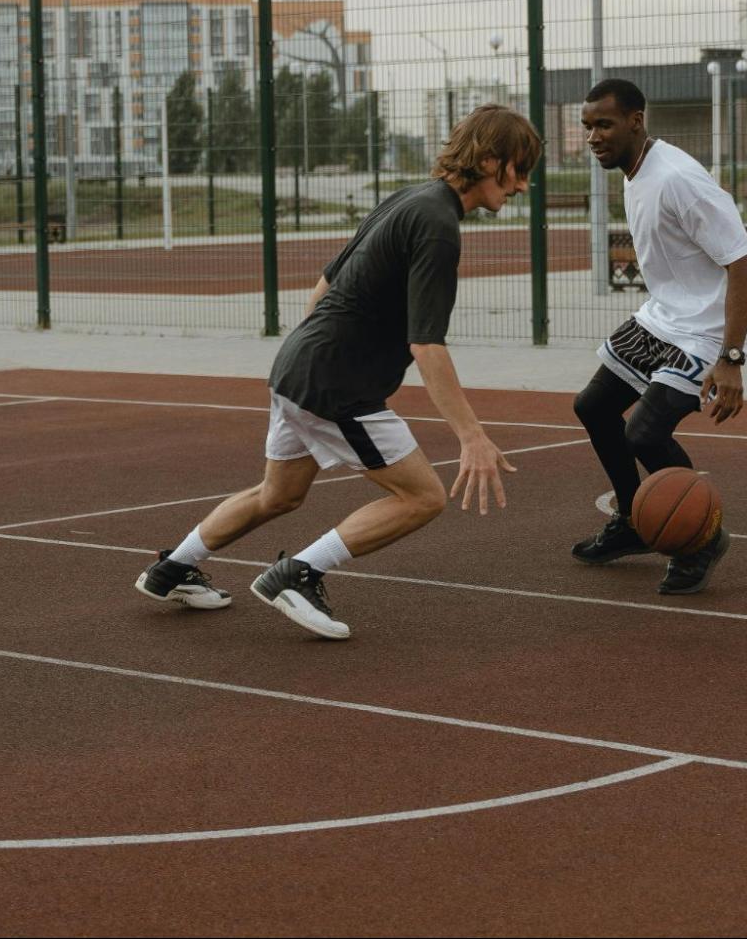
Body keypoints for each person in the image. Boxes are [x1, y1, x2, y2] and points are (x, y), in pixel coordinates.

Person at [136, 104, 541, 640]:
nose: (522, 186)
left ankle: (171, 570)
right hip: (336, 386)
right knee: (422, 497)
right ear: (490, 161)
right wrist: (472, 437)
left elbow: (325, 286)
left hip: (296, 367)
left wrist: (313, 357)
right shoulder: (439, 225)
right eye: (521, 169)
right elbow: (426, 345)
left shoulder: (408, 199)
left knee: (277, 495)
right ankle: (297, 575)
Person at [568, 77, 747, 594]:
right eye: (587, 127)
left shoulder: (675, 179)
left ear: (636, 121)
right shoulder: (636, 168)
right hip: (665, 316)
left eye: (604, 124)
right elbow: (713, 261)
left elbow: (741, 261)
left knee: (643, 434)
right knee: (594, 406)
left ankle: (700, 540)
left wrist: (733, 353)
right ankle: (633, 520)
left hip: (705, 333)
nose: (593, 136)